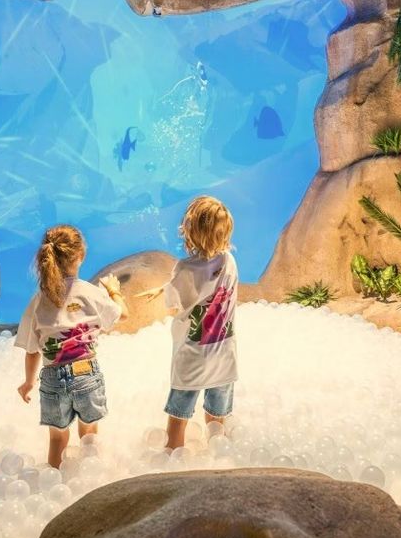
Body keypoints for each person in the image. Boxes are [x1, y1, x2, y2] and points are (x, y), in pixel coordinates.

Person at [15, 225, 128, 469]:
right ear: (81, 256)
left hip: (52, 379)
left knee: (57, 439)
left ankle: (54, 478)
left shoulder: (38, 300)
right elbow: (123, 314)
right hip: (86, 373)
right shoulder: (90, 292)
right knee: (89, 435)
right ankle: (92, 476)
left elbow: (32, 350)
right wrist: (114, 292)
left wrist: (28, 382)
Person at [138, 196, 238, 450]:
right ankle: (219, 455)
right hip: (223, 358)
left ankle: (173, 453)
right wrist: (165, 287)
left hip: (192, 359)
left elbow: (174, 304)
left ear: (190, 231)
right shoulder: (229, 261)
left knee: (178, 415)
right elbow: (207, 281)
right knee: (217, 419)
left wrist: (167, 289)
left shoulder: (183, 269)